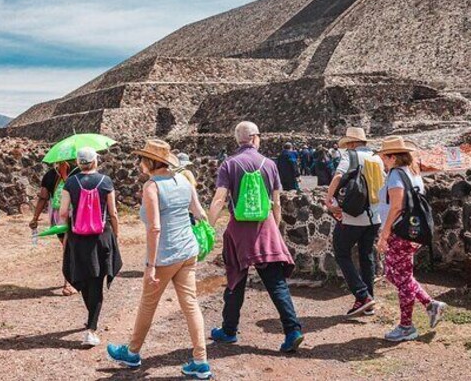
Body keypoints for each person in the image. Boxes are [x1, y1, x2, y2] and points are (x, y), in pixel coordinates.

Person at [107, 139, 212, 379]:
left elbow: (154, 228)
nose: (139, 163)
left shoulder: (152, 187)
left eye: (141, 159)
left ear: (150, 161)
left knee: (148, 303)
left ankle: (132, 352)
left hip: (166, 255)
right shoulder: (184, 180)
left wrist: (150, 265)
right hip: (188, 251)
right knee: (190, 304)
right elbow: (200, 213)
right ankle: (201, 360)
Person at [208, 122, 304, 353]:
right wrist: (275, 227)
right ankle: (293, 330)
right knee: (275, 281)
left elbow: (220, 199)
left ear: (239, 139)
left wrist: (209, 227)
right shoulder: (269, 164)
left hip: (239, 231)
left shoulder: (229, 164)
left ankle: (229, 330)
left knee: (235, 279)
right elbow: (277, 202)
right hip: (265, 227)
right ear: (254, 138)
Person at [376, 136, 446, 342]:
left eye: (383, 156)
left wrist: (385, 233)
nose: (381, 159)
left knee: (402, 279)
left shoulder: (396, 175)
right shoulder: (412, 173)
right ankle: (430, 304)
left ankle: (407, 326)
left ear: (391, 157)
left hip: (400, 232)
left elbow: (397, 206)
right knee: (393, 274)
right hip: (412, 232)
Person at [59, 147, 122, 347]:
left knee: (85, 279)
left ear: (78, 163)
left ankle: (91, 321)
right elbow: (113, 213)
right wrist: (116, 235)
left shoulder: (70, 182)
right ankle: (91, 330)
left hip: (78, 237)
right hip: (101, 237)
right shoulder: (106, 182)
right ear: (95, 161)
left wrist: (67, 232)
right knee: (97, 282)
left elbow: (62, 213)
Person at [324, 127, 385, 316]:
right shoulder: (377, 158)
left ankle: (362, 294)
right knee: (366, 256)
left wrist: (328, 198)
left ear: (351, 143)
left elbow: (338, 176)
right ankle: (369, 301)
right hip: (374, 216)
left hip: (354, 216)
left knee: (341, 252)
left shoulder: (351, 156)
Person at [29, 161, 77, 295]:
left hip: (63, 218)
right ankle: (70, 280)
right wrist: (35, 217)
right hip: (68, 217)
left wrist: (35, 217)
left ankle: (71, 280)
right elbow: (43, 197)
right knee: (69, 247)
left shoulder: (53, 175)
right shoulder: (77, 173)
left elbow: (43, 198)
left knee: (69, 247)